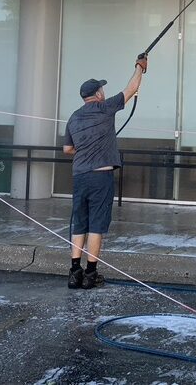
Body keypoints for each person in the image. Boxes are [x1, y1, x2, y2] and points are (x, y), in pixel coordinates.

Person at [62, 54, 147, 290]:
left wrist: (85, 149)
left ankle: (74, 271)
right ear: (98, 94)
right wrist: (140, 67)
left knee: (79, 223)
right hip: (101, 177)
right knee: (96, 226)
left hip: (80, 177)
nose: (104, 92)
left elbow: (67, 149)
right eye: (102, 89)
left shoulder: (74, 117)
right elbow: (130, 90)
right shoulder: (105, 107)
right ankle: (90, 274)